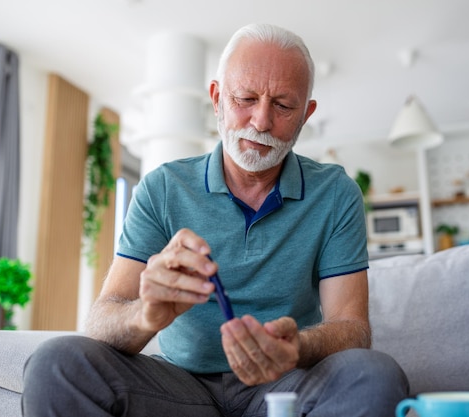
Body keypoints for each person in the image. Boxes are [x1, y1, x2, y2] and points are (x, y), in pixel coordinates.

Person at [23, 23, 408, 416]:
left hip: (286, 383)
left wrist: (299, 347)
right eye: (245, 98)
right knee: (57, 363)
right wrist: (146, 314)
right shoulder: (162, 188)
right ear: (217, 97)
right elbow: (101, 321)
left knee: (374, 374)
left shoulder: (335, 193)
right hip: (177, 386)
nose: (260, 121)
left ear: (306, 115)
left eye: (283, 105)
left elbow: (352, 328)